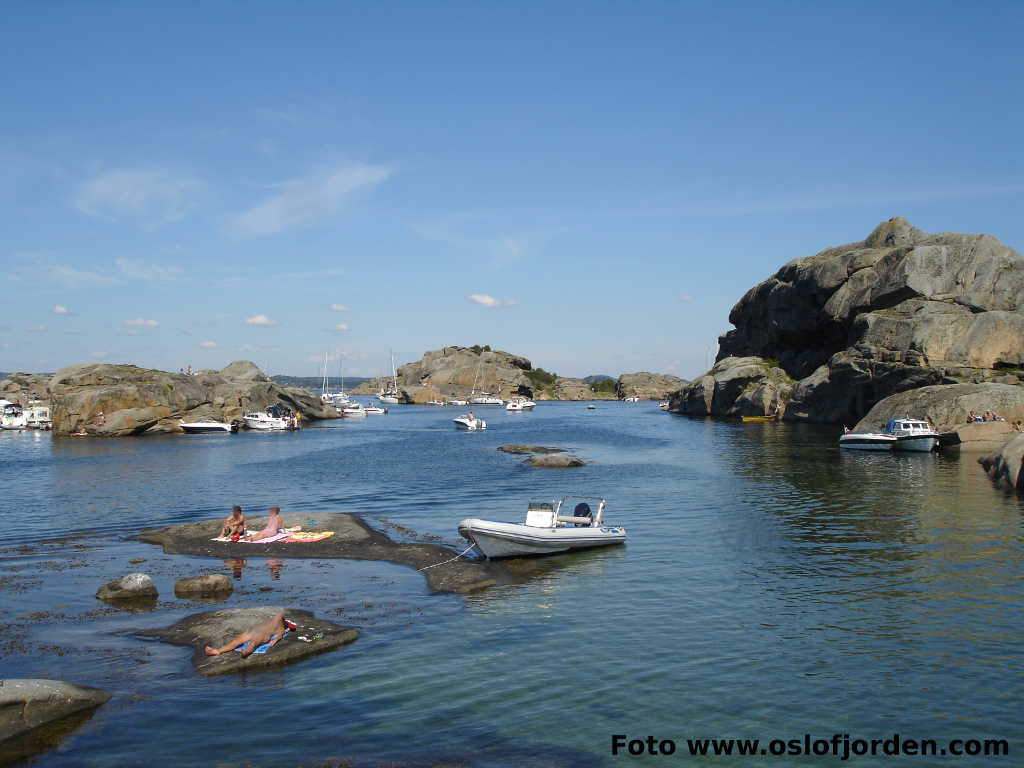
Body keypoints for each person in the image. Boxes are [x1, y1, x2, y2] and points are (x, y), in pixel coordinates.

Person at [203, 613, 296, 658]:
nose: (277, 616)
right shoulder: (272, 622)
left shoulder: (280, 626)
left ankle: (246, 652)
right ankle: (217, 651)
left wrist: (274, 641)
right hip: (252, 631)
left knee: (254, 642)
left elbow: (281, 634)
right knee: (236, 640)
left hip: (263, 633)